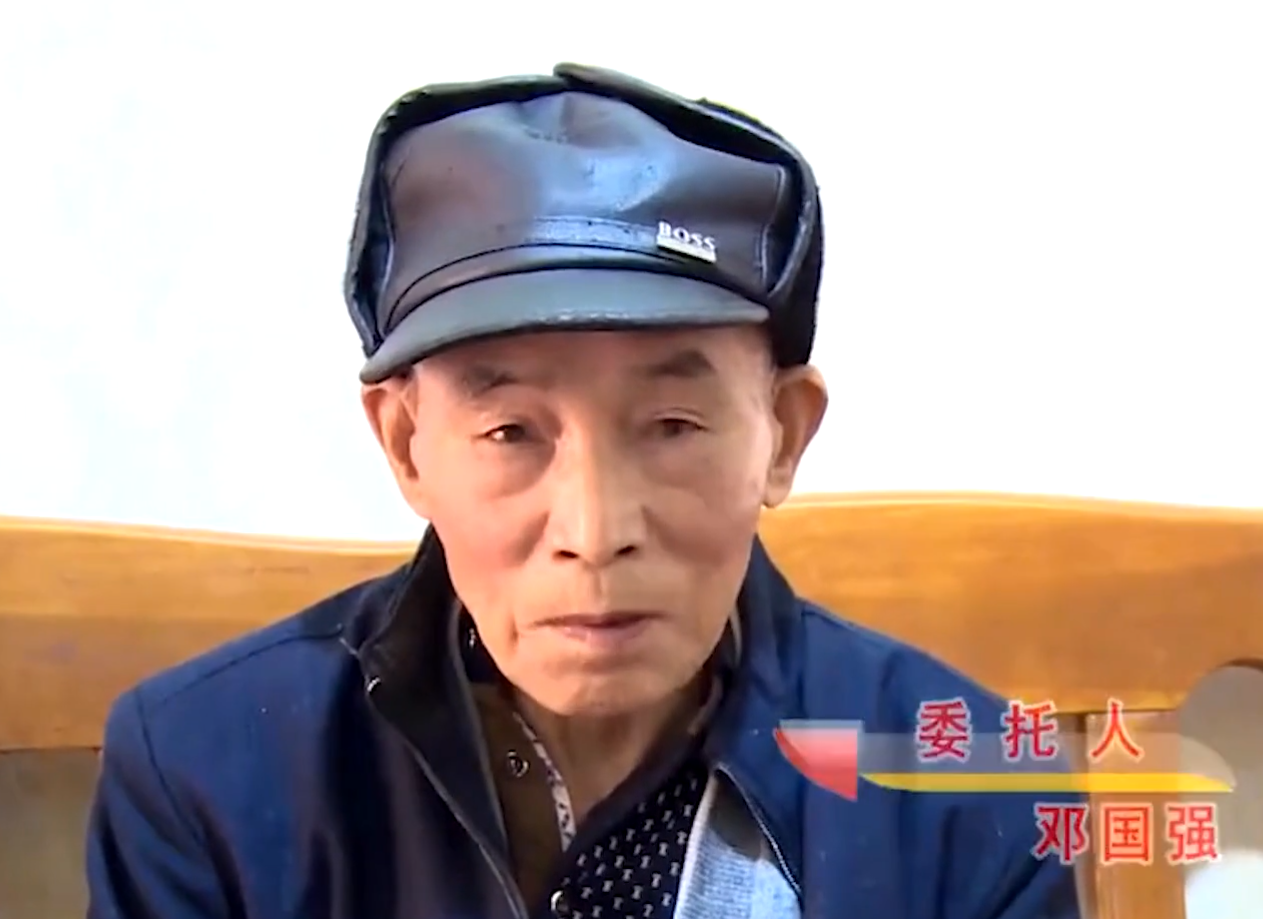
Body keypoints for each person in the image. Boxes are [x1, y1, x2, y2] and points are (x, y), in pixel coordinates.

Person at [86, 64, 1081, 919]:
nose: (595, 530)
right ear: (406, 443)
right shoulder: (206, 771)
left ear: (782, 434)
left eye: (673, 426)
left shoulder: (971, 791)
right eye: (511, 431)